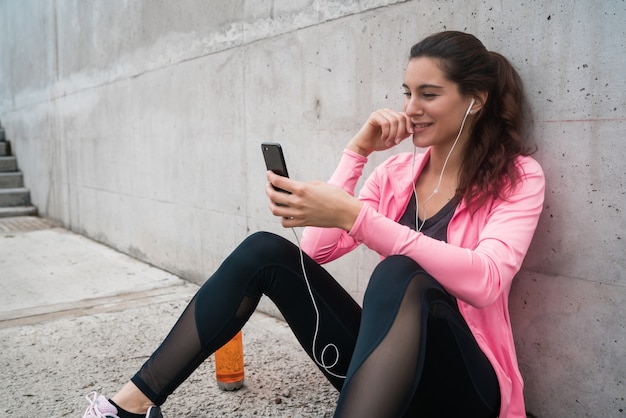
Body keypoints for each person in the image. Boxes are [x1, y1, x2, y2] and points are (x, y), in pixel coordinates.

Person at [82, 30, 545, 418]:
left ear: (475, 101)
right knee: (265, 250)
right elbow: (316, 251)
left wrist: (359, 218)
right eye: (407, 93)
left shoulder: (517, 177)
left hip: (465, 390)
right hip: (385, 374)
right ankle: (129, 407)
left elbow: (487, 281)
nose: (411, 108)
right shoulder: (395, 175)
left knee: (400, 271)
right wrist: (356, 154)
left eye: (429, 94)